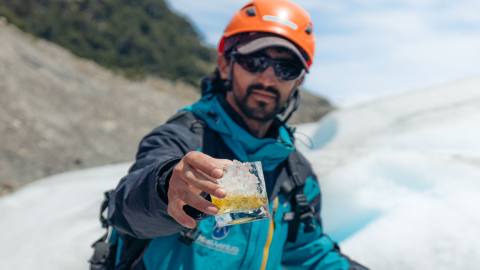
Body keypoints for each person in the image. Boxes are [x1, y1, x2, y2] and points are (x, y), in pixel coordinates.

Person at [105, 0, 367, 269]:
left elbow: (305, 253)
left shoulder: (295, 174)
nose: (267, 80)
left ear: (298, 80)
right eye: (255, 61)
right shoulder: (185, 138)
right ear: (225, 64)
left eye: (286, 68)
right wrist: (166, 186)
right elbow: (128, 209)